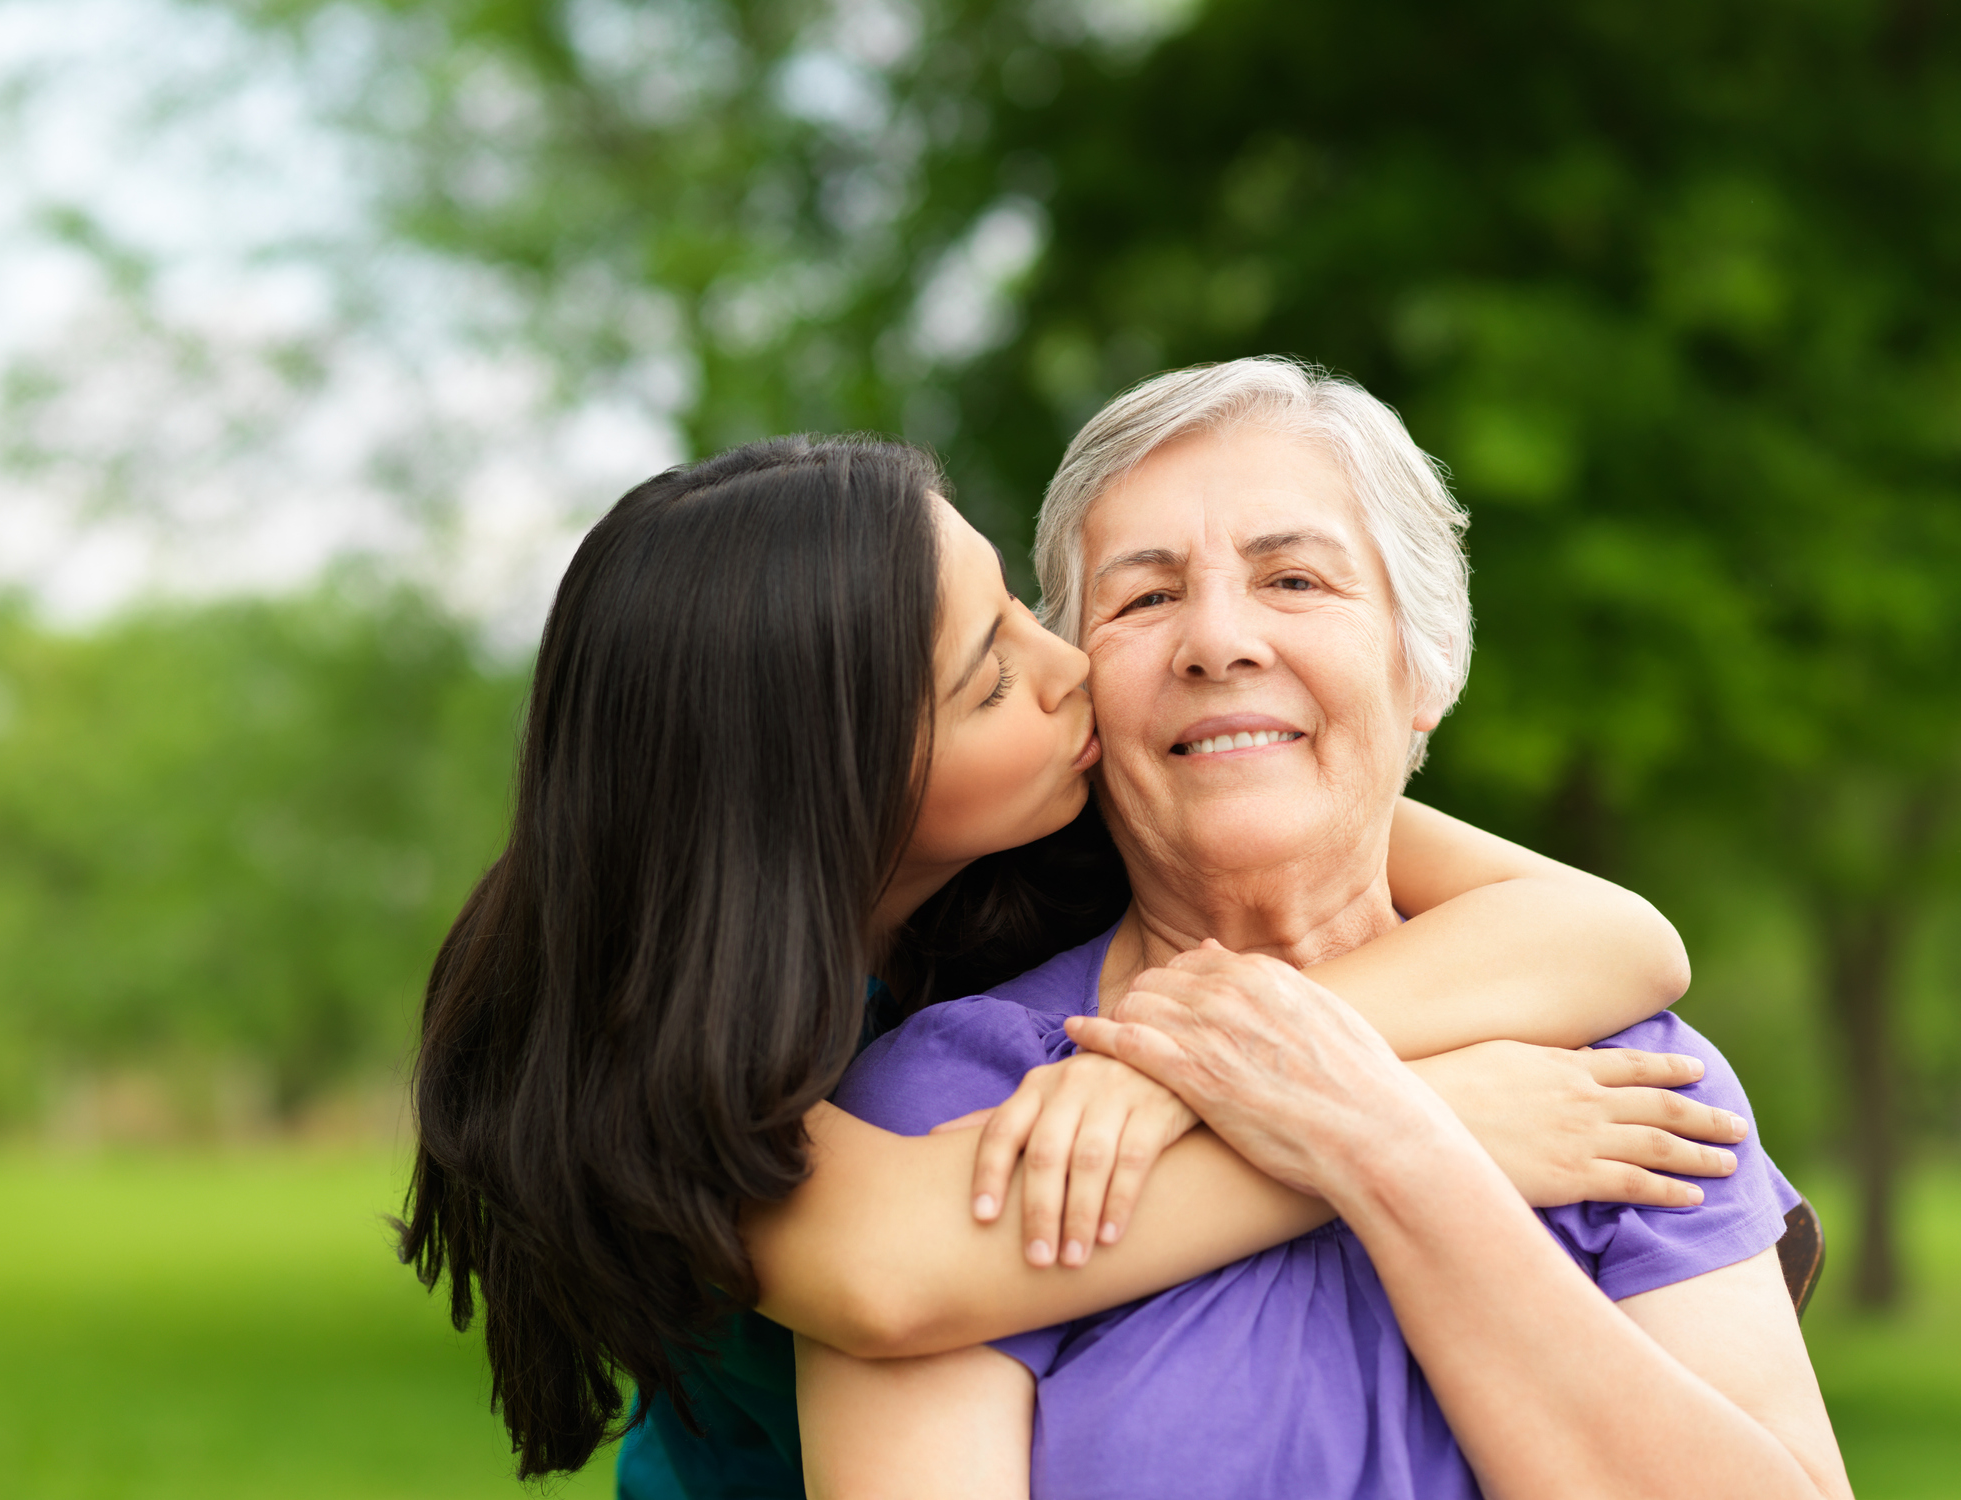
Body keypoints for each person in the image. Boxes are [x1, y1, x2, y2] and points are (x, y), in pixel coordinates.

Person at [396, 434, 1742, 1499]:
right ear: (837, 789)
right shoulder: (659, 1049)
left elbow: (1612, 936)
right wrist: (1413, 1133)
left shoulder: (1088, 805)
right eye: (990, 676)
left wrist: (1187, 1071)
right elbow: (895, 1274)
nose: (1075, 670)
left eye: (1025, 610)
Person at [798, 360, 1851, 1500]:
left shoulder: (1617, 1070)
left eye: (1292, 580)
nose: (1217, 641)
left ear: (1422, 670)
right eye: (1143, 598)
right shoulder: (962, 1105)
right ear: (1085, 698)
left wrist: (1374, 1138)